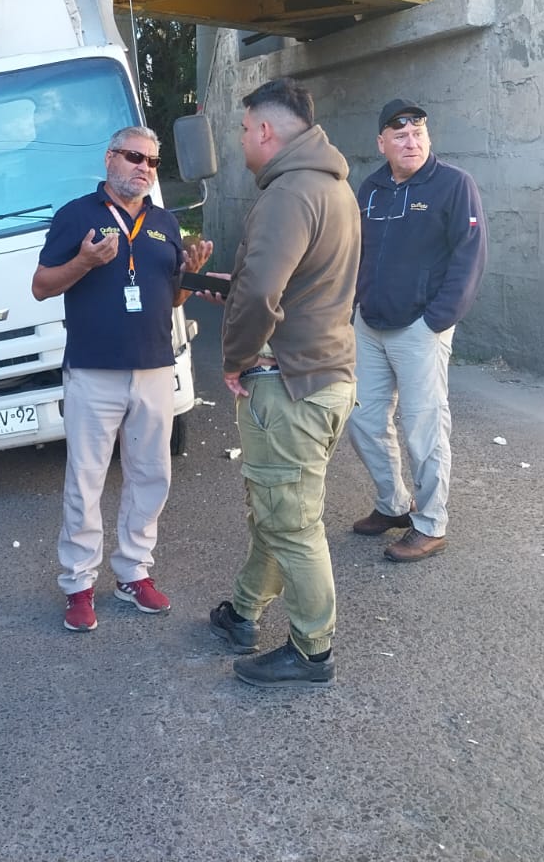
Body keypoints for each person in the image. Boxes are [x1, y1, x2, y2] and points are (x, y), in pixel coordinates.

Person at [207, 78, 360, 689]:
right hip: (325, 375)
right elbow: (299, 283)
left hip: (288, 384)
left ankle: (312, 651)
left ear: (267, 131)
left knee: (292, 523)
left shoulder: (287, 193)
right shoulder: (333, 187)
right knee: (278, 509)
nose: (242, 140)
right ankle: (244, 612)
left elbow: (263, 292)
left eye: (245, 129)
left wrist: (235, 359)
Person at [32, 126, 212, 632]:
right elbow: (41, 286)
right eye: (135, 157)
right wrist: (84, 261)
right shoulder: (76, 216)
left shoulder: (164, 223)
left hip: (154, 367)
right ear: (109, 158)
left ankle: (134, 572)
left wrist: (191, 277)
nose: (145, 168)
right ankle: (79, 584)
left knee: (151, 474)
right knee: (86, 479)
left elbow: (171, 295)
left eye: (152, 161)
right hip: (93, 369)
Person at [347, 99, 487, 563]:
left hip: (420, 329)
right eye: (400, 135)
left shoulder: (453, 185)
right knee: (364, 421)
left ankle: (430, 524)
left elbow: (469, 257)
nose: (411, 141)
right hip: (369, 324)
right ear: (381, 143)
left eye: (419, 133)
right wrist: (352, 307)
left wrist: (437, 320)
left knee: (423, 430)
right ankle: (393, 506)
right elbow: (354, 253)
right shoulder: (370, 189)